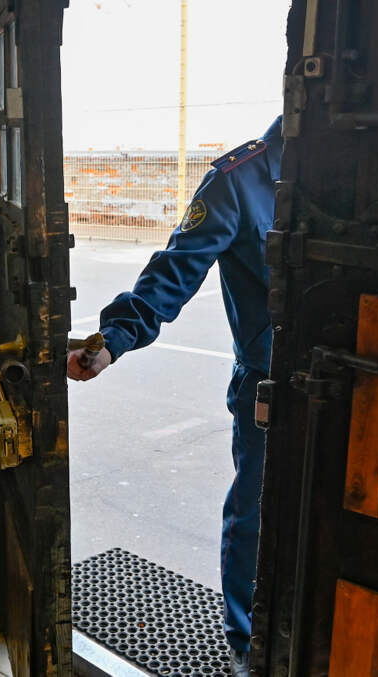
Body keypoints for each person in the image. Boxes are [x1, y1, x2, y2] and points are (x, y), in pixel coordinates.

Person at [67, 116, 282, 676]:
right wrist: (114, 339)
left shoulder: (356, 174)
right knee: (257, 514)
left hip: (349, 383)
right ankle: (248, 645)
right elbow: (174, 270)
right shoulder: (239, 180)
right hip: (271, 387)